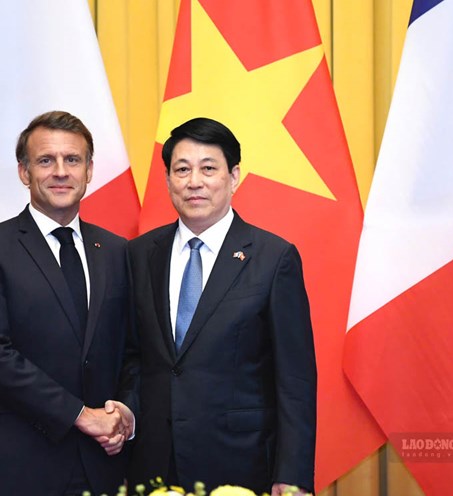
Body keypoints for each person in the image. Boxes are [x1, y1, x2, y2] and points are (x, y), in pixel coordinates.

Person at [120, 117, 317, 495]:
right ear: (168, 181)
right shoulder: (139, 254)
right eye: (182, 169)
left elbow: (295, 380)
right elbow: (132, 357)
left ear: (234, 176)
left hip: (241, 463)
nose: (194, 181)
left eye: (208, 168)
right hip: (153, 462)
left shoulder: (274, 258)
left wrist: (292, 475)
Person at [0, 111, 133, 495]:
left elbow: (133, 351)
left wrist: (124, 416)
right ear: (24, 172)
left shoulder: (118, 252)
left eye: (73, 160)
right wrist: (81, 416)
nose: (61, 172)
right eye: (45, 160)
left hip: (100, 466)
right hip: (14, 466)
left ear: (89, 171)